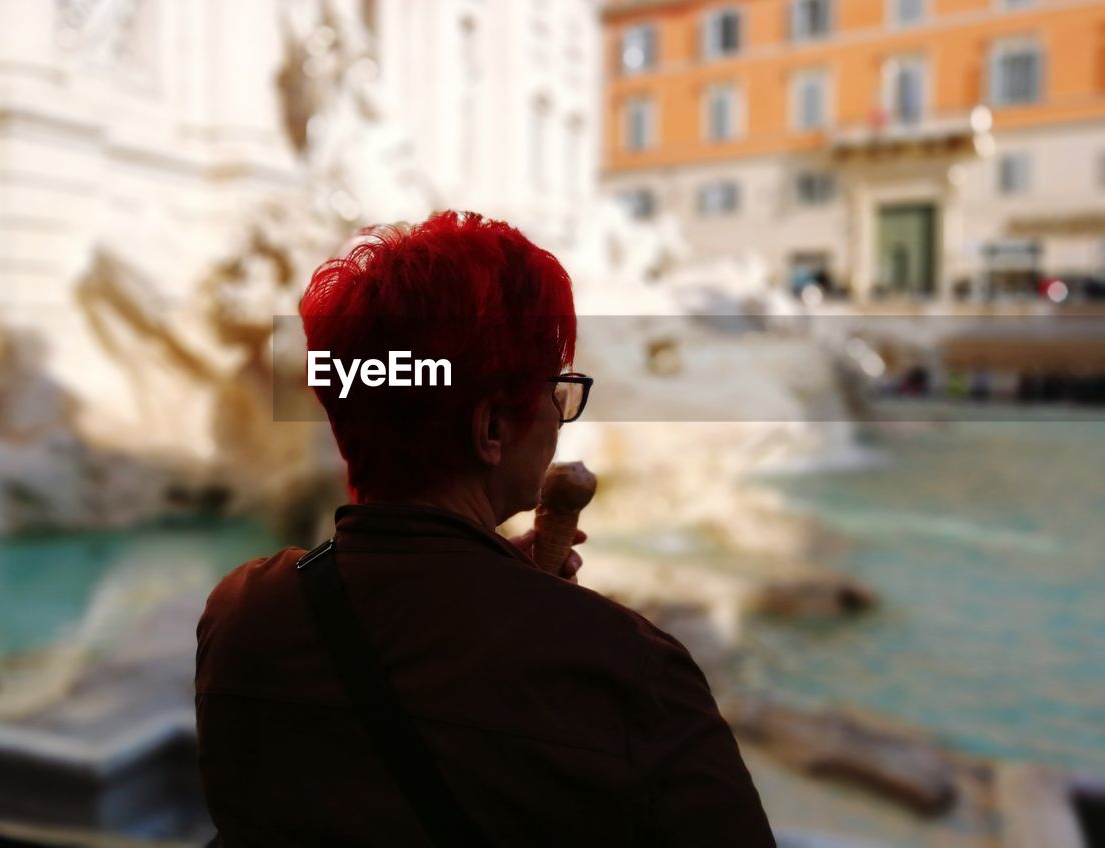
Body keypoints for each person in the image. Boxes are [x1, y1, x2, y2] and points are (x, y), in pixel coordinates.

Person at [195, 211, 775, 846]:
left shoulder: (240, 616)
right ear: (492, 430)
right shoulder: (629, 674)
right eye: (556, 390)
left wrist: (495, 584)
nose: (561, 418)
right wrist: (518, 604)